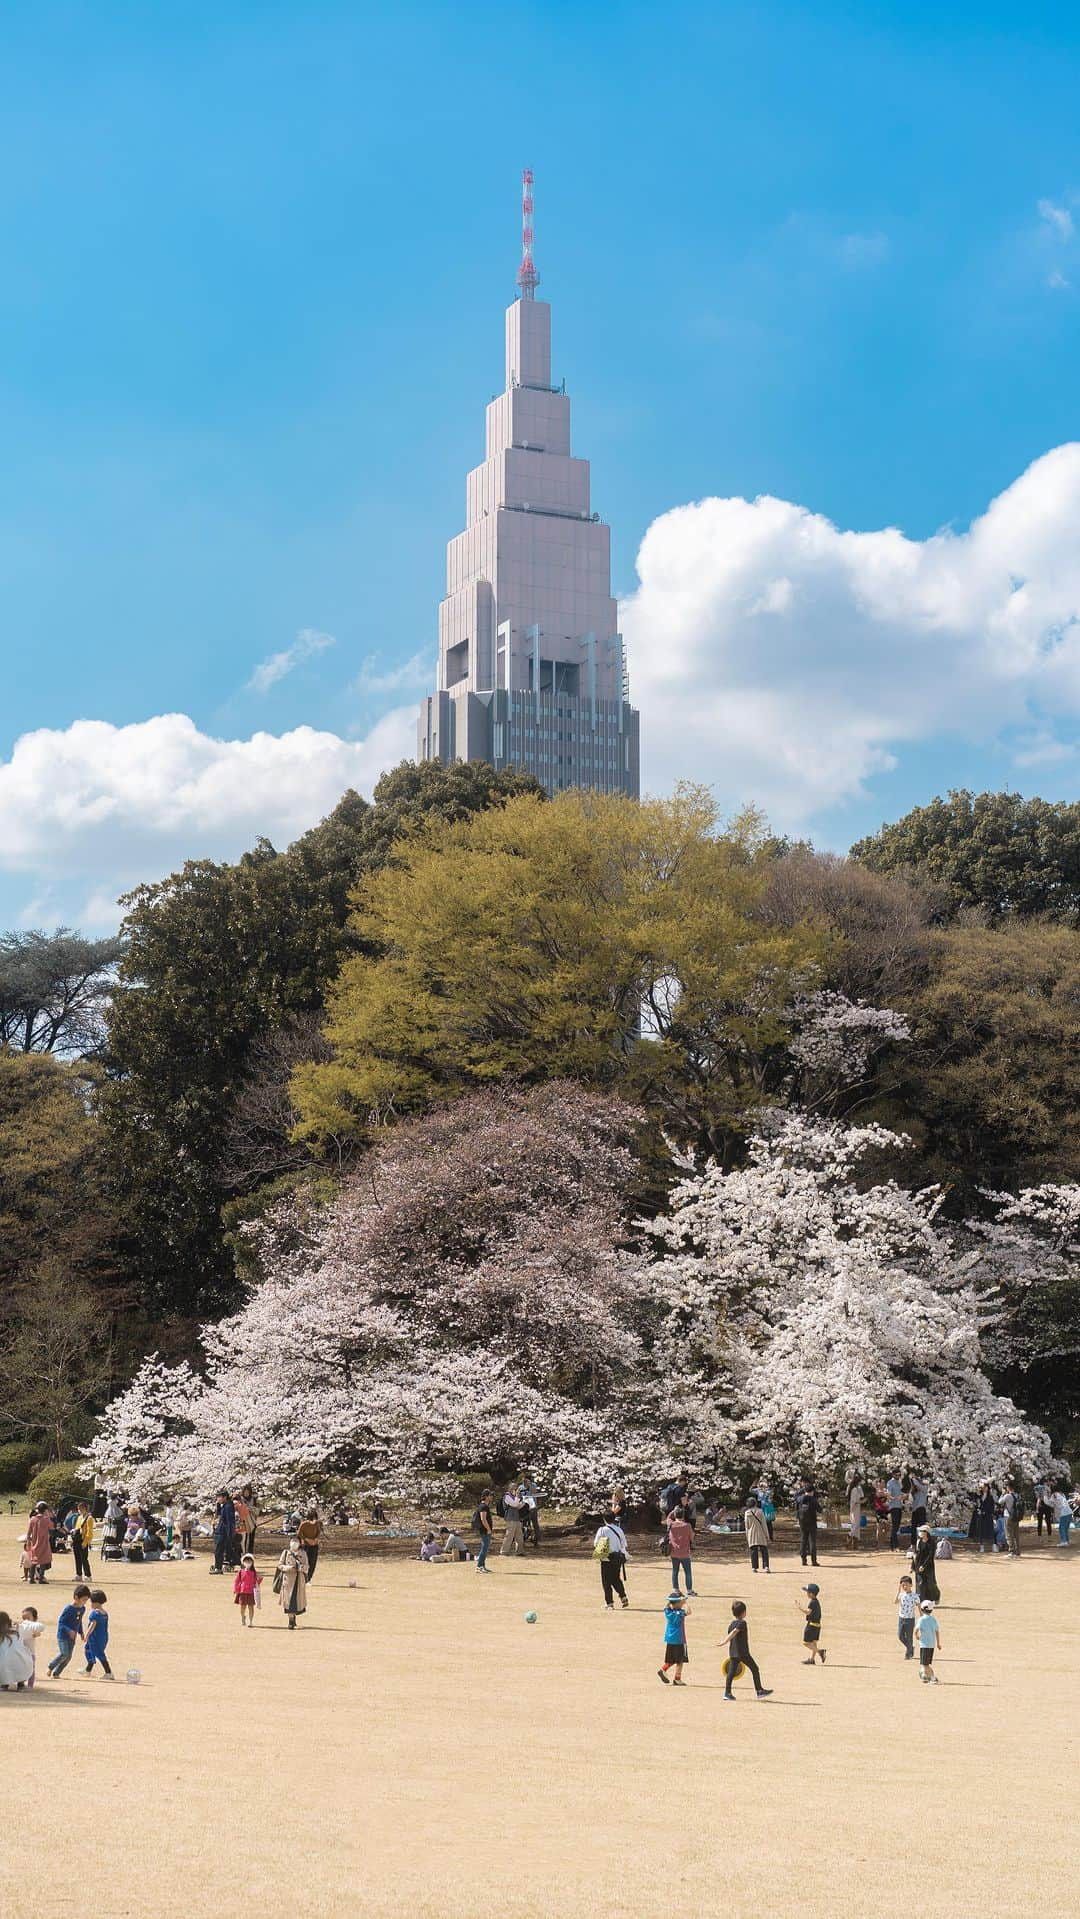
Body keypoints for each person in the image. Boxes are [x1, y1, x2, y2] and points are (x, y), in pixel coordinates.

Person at [722, 1600, 772, 1701]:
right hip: (742, 1653)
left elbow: (731, 1632)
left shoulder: (731, 1624)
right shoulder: (742, 1623)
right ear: (744, 1612)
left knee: (731, 1673)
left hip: (733, 1653)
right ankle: (759, 1691)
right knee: (755, 1668)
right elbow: (735, 1632)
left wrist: (726, 1641)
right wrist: (724, 1641)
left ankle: (727, 1693)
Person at [47, 1586, 90, 1676]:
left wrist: (81, 1632)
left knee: (68, 1657)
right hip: (63, 1636)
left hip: (72, 1637)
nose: (85, 1602)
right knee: (64, 1653)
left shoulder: (82, 1609)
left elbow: (79, 1621)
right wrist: (69, 1630)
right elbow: (61, 1622)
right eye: (83, 1599)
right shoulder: (68, 1609)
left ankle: (57, 1673)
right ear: (76, 1597)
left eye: (86, 1600)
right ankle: (50, 1667)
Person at [593, 1515, 630, 1610]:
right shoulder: (619, 1529)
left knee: (606, 1582)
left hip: (606, 1558)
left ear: (604, 1519)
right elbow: (624, 1544)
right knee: (616, 1579)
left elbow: (596, 1543)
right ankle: (623, 1596)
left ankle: (609, 1603)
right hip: (617, 1558)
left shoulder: (602, 1530)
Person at [657, 1591, 690, 1684]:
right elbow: (689, 1612)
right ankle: (677, 1678)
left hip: (670, 1638)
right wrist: (685, 1603)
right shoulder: (680, 1613)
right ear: (678, 1603)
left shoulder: (668, 1611)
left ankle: (663, 1670)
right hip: (679, 1639)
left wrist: (673, 1600)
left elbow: (668, 1605)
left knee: (671, 1658)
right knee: (680, 1660)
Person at [276, 1538, 308, 1629]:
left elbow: (307, 1567)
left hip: (299, 1581)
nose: (294, 1543)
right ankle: (290, 1621)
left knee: (296, 1601)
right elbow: (280, 1565)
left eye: (296, 1541)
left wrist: (301, 1568)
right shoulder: (286, 1553)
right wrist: (288, 1568)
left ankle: (293, 1619)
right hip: (288, 1581)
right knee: (289, 1602)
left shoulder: (303, 1553)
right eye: (293, 1541)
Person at [665, 1503, 696, 1595]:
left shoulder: (671, 1524)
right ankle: (689, 1590)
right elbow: (692, 1537)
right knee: (688, 1572)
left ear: (675, 1515)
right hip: (685, 1552)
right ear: (683, 1515)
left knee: (675, 1571)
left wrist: (673, 1510)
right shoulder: (687, 1525)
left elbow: (668, 1518)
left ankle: (676, 1589)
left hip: (674, 1552)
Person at [0, 1613, 35, 1691]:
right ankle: (21, 1684)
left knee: (4, 1659)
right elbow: (40, 1627)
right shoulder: (18, 1629)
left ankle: (4, 1684)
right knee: (21, 1656)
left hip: (3, 1668)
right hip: (24, 1666)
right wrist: (27, 1622)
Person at [83, 1590, 113, 1679]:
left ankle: (108, 1672)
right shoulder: (105, 1613)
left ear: (95, 1602)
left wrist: (87, 1635)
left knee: (98, 1654)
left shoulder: (95, 1613)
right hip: (103, 1637)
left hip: (94, 1638)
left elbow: (92, 1625)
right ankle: (87, 1670)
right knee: (91, 1651)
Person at [24, 1503, 53, 1584]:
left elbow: (28, 1533)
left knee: (34, 1560)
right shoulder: (46, 1519)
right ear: (45, 1510)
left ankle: (31, 1578)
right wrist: (49, 1516)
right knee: (43, 1560)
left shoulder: (33, 1519)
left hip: (34, 1543)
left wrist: (28, 1542)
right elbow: (52, 1527)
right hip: (44, 1543)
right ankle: (41, 1577)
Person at [798, 1583, 826, 1664]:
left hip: (811, 1625)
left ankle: (820, 1652)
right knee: (814, 1643)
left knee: (806, 1643)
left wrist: (800, 1608)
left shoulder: (812, 1602)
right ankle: (812, 1659)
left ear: (811, 1594)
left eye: (807, 1592)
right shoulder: (816, 1602)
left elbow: (808, 1612)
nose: (806, 1593)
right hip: (817, 1625)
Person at [795, 1480, 820, 1568]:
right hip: (812, 1521)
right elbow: (819, 1509)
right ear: (812, 1491)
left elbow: (796, 1506)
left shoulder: (800, 1498)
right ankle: (814, 1561)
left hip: (802, 1521)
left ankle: (803, 1560)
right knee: (812, 1541)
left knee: (803, 1540)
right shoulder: (813, 1499)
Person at [211, 1491, 237, 1575]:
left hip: (224, 1532)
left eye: (220, 1497)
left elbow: (230, 1521)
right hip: (222, 1531)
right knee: (226, 1550)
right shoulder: (225, 1505)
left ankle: (218, 1568)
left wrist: (230, 1533)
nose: (218, 1499)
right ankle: (219, 1567)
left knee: (219, 1551)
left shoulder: (228, 1506)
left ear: (225, 1497)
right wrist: (218, 1506)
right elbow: (220, 1515)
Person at [18, 1606, 44, 1688]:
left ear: (35, 1619)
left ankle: (30, 1685)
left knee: (31, 1670)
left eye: (28, 1618)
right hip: (20, 1653)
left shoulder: (33, 1627)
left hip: (30, 1653)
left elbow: (38, 1630)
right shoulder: (22, 1627)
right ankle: (20, 1683)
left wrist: (36, 1633)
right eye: (23, 1618)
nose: (25, 1620)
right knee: (20, 1668)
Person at [743, 1496, 770, 1574]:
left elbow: (746, 1526)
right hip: (760, 1532)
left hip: (751, 1533)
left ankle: (754, 1567)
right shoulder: (760, 1511)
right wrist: (767, 1535)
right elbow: (764, 1524)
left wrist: (747, 1536)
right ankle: (766, 1567)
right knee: (764, 1550)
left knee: (753, 1550)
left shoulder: (747, 1513)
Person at [916, 1600, 942, 1683]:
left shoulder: (921, 1619)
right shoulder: (933, 1619)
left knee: (925, 1664)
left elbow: (916, 1629)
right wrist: (938, 1643)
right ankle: (925, 1676)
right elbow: (937, 1631)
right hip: (931, 1645)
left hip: (924, 1645)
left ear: (922, 1609)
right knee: (926, 1663)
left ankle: (933, 1677)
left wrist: (916, 1635)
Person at [913, 1526, 940, 1603]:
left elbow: (930, 1556)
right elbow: (916, 1554)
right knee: (920, 1583)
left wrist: (923, 1566)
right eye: (920, 1531)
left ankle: (936, 1596)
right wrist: (913, 1566)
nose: (920, 1532)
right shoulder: (919, 1541)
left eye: (922, 1531)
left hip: (928, 1566)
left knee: (930, 1583)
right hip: (918, 1564)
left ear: (927, 1532)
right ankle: (920, 1600)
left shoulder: (932, 1542)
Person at [69, 1502, 94, 1581]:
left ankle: (88, 1575)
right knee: (77, 1558)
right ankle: (78, 1574)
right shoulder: (79, 1517)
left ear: (85, 1509)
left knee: (84, 1558)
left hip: (83, 1540)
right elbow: (77, 1528)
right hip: (77, 1540)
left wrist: (86, 1542)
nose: (79, 1510)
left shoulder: (89, 1518)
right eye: (79, 1509)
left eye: (81, 1509)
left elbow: (89, 1532)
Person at [233, 1555, 261, 1625]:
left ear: (252, 1562)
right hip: (242, 1591)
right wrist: (236, 1589)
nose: (248, 1562)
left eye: (249, 1561)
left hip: (251, 1592)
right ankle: (243, 1617)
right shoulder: (240, 1572)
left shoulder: (254, 1573)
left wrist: (259, 1581)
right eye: (246, 1561)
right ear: (243, 1562)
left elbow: (256, 1582)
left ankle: (251, 1621)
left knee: (251, 1607)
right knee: (243, 1607)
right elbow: (237, 1581)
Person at [472, 1491, 494, 1573]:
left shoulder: (485, 1506)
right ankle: (479, 1566)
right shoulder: (483, 1507)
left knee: (485, 1547)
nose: (491, 1497)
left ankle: (483, 1566)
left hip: (485, 1530)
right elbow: (483, 1519)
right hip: (484, 1530)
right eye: (490, 1495)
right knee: (484, 1548)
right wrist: (488, 1529)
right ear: (486, 1496)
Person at [895, 1575, 916, 1660]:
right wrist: (898, 1591)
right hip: (901, 1618)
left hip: (910, 1619)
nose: (905, 1587)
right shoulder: (901, 1595)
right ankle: (910, 1647)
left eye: (906, 1585)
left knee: (909, 1636)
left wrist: (922, 1616)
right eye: (903, 1585)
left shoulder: (915, 1596)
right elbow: (895, 1602)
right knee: (900, 1635)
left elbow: (918, 1605)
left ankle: (908, 1654)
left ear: (911, 1585)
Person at [998, 1481, 1021, 1559]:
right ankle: (1017, 1551)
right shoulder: (1017, 1495)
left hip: (1008, 1516)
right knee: (1016, 1534)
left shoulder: (1007, 1496)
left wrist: (1002, 1493)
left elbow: (999, 1501)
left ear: (1008, 1488)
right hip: (1016, 1517)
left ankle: (1011, 1551)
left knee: (1009, 1534)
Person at [500, 1485, 525, 1556]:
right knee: (509, 1535)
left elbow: (518, 1506)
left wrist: (523, 1501)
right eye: (514, 1488)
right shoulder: (507, 1496)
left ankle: (520, 1551)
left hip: (516, 1518)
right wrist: (517, 1497)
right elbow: (514, 1504)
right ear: (510, 1488)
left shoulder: (514, 1497)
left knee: (519, 1535)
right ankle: (504, 1551)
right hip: (510, 1518)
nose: (516, 1490)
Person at [297, 1511, 322, 1581]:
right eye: (313, 1518)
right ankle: (303, 1578)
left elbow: (318, 1532)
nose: (314, 1521)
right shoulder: (304, 1524)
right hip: (306, 1546)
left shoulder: (317, 1523)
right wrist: (306, 1539)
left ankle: (309, 1578)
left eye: (315, 1518)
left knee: (313, 1562)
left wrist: (316, 1539)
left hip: (314, 1545)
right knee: (305, 1562)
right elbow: (299, 1533)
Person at [973, 1483, 997, 1553]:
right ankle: (982, 1546)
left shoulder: (990, 1497)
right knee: (981, 1531)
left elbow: (992, 1507)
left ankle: (994, 1545)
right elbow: (976, 1505)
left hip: (988, 1516)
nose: (984, 1488)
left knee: (990, 1531)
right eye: (983, 1487)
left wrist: (988, 1512)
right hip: (980, 1516)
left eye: (986, 1487)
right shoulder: (979, 1496)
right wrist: (979, 1510)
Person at [520, 1473, 541, 1547]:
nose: (523, 1480)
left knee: (535, 1524)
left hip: (533, 1508)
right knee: (524, 1524)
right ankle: (523, 1539)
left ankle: (536, 1540)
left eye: (525, 1479)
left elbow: (534, 1492)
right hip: (524, 1508)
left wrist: (529, 1485)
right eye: (523, 1479)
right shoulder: (520, 1487)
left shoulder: (533, 1485)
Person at [886, 1470, 904, 1550]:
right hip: (893, 1506)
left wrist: (903, 1496)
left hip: (899, 1506)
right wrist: (896, 1498)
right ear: (893, 1475)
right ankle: (895, 1545)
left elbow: (900, 1492)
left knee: (897, 1526)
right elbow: (888, 1495)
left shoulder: (899, 1482)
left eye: (899, 1475)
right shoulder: (890, 1483)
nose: (898, 1476)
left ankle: (892, 1544)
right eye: (897, 1475)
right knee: (895, 1526)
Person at [847, 1473, 864, 1549]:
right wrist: (862, 1502)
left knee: (857, 1525)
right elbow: (855, 1501)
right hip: (854, 1509)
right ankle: (850, 1536)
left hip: (856, 1508)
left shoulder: (857, 1489)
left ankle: (855, 1543)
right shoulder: (854, 1489)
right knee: (855, 1525)